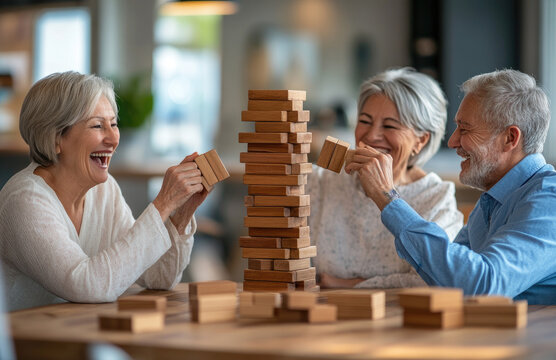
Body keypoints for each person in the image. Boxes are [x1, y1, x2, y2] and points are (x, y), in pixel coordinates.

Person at [0, 72, 208, 311]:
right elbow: (88, 285)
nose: (113, 138)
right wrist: (162, 204)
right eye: (98, 125)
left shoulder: (104, 190)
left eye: (114, 124)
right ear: (56, 138)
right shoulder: (25, 201)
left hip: (72, 337)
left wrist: (180, 214)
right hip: (26, 346)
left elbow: (158, 277)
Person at [350, 69, 556, 304]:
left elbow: (482, 284)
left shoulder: (549, 198)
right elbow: (446, 277)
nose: (452, 141)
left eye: (465, 129)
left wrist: (387, 197)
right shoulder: (491, 201)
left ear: (510, 138)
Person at [309, 68, 463, 289]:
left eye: (390, 125)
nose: (371, 136)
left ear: (421, 140)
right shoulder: (324, 181)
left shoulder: (436, 198)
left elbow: (432, 281)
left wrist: (345, 284)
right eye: (364, 121)